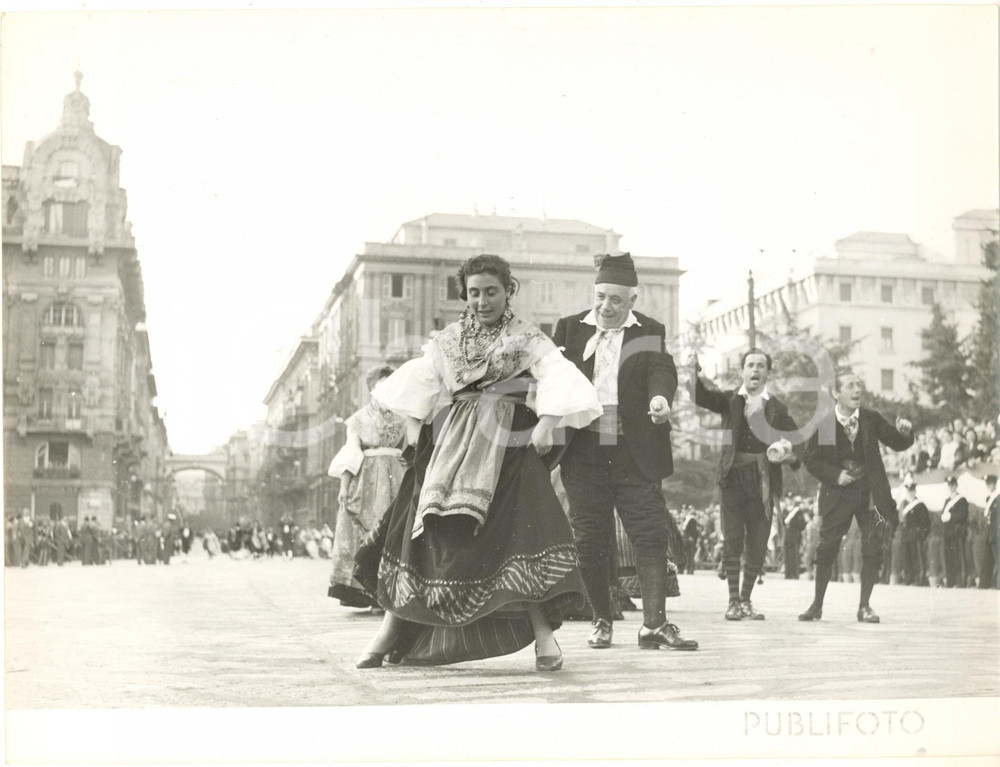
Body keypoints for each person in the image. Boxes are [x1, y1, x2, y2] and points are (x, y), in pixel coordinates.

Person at [354, 254, 601, 671]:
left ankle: (545, 638)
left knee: (522, 532)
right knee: (415, 525)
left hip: (507, 442)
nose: (482, 301)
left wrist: (547, 424)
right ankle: (389, 630)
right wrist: (414, 428)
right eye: (473, 293)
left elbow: (562, 376)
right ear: (463, 295)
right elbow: (418, 382)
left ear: (508, 291)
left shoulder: (528, 338)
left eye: (491, 292)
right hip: (449, 441)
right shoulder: (447, 340)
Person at [554, 252, 697, 652]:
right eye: (601, 296)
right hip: (582, 449)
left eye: (616, 299)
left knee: (650, 534)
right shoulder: (568, 329)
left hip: (633, 449)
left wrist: (660, 399)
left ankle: (654, 625)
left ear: (632, 299)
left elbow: (661, 369)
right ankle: (601, 619)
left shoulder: (649, 330)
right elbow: (550, 376)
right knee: (590, 537)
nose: (606, 307)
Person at [691, 349, 800, 621]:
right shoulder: (730, 400)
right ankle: (732, 602)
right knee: (733, 539)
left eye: (761, 365)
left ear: (767, 372)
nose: (755, 370)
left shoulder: (777, 407)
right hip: (732, 479)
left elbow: (797, 441)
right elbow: (700, 396)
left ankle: (746, 600)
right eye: (750, 365)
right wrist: (691, 373)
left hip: (763, 480)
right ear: (742, 371)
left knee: (759, 541)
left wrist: (789, 453)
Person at [799, 372, 914, 623]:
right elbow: (810, 459)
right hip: (838, 493)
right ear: (836, 393)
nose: (857, 390)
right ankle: (817, 605)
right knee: (826, 548)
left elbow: (897, 442)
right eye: (850, 386)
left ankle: (865, 607)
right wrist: (835, 474)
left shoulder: (871, 419)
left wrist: (906, 434)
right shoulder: (827, 425)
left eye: (859, 385)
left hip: (869, 492)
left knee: (872, 547)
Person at [328, 366, 408, 610]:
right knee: (367, 532)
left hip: (398, 475)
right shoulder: (359, 419)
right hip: (368, 480)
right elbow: (351, 453)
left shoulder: (405, 415)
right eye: (380, 384)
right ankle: (369, 593)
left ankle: (393, 593)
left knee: (395, 531)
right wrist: (345, 487)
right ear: (371, 388)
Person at [940, 475, 969, 588]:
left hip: (957, 533)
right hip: (948, 533)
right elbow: (943, 514)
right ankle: (950, 581)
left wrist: (951, 516)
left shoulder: (961, 500)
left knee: (958, 557)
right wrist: (946, 517)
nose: (951, 487)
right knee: (949, 557)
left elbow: (963, 515)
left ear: (956, 486)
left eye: (953, 485)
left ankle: (960, 582)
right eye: (949, 485)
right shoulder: (947, 500)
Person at [979, 474, 999, 589]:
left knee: (997, 558)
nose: (988, 486)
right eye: (987, 484)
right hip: (989, 533)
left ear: (994, 484)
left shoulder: (998, 498)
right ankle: (984, 584)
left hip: (995, 532)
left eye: (990, 483)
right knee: (988, 558)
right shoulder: (989, 498)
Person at [783, 496, 807, 579]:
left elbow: (802, 524)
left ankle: (795, 574)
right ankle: (788, 574)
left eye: (790, 499)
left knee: (794, 555)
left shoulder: (797, 511)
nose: (789, 501)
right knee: (787, 555)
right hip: (787, 535)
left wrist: (797, 530)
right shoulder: (785, 511)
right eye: (787, 499)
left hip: (794, 535)